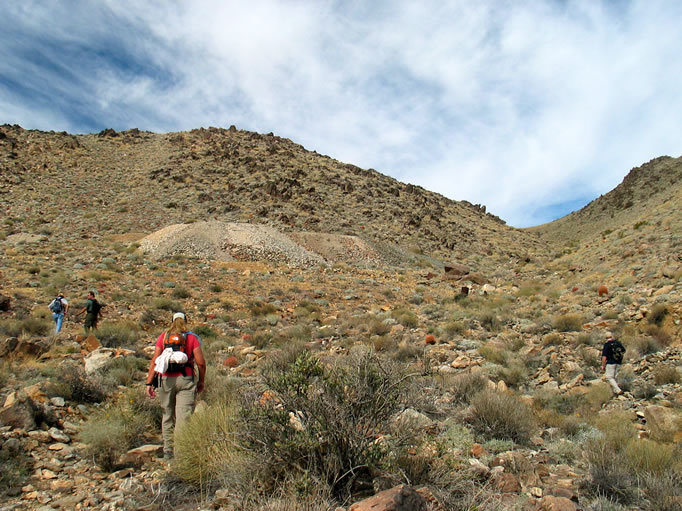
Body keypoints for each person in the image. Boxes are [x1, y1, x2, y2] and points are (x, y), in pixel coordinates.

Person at [145, 312, 206, 459]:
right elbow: (201, 363)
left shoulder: (164, 337)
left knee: (167, 415)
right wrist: (201, 381)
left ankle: (168, 451)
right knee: (183, 418)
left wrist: (149, 382)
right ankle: (181, 454)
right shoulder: (191, 337)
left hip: (166, 380)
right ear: (186, 321)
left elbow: (155, 361)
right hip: (186, 379)